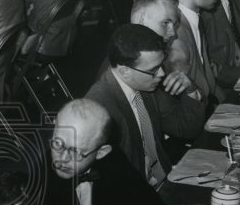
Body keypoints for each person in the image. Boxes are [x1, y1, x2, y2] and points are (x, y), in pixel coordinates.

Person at [44, 99, 201, 205]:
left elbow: (152, 204)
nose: (62, 159)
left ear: (101, 152)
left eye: (76, 152)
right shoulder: (40, 182)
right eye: (58, 143)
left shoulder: (109, 159)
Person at [85, 23, 205, 188]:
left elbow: (186, 129)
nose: (162, 74)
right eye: (154, 69)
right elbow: (111, 182)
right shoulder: (100, 109)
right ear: (124, 71)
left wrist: (191, 89)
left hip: (163, 176)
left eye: (161, 65)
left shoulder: (146, 86)